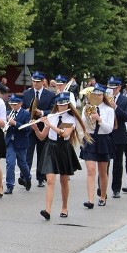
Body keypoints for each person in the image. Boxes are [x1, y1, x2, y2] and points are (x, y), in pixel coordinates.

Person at [32, 92, 89, 220]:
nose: (62, 107)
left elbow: (64, 134)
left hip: (64, 148)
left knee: (64, 181)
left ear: (68, 104)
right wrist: (36, 128)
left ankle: (64, 207)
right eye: (60, 104)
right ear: (56, 104)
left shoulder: (71, 119)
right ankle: (48, 210)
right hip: (51, 147)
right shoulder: (51, 116)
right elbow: (42, 137)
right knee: (50, 180)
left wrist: (50, 124)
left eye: (65, 105)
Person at [79, 83, 115, 208]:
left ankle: (103, 196)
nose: (96, 97)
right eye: (94, 95)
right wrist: (88, 117)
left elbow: (109, 129)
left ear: (103, 95)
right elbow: (84, 124)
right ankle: (90, 200)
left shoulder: (109, 110)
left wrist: (99, 119)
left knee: (102, 171)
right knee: (90, 170)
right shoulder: (86, 108)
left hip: (103, 139)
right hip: (90, 138)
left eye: (99, 95)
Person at [21, 71, 55, 187]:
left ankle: (41, 177)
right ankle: (25, 177)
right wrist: (25, 112)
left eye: (37, 82)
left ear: (42, 82)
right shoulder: (26, 93)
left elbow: (53, 111)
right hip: (30, 127)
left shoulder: (50, 95)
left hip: (42, 127)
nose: (35, 84)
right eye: (34, 81)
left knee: (41, 153)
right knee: (28, 153)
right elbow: (22, 109)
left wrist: (41, 112)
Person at [106, 76, 127, 198]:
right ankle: (102, 189)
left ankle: (116, 189)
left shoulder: (126, 100)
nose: (112, 90)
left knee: (117, 164)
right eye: (110, 88)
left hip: (119, 134)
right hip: (105, 134)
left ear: (119, 87)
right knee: (104, 163)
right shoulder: (103, 99)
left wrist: (116, 107)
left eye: (114, 88)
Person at [3, 95, 32, 194]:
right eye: (11, 104)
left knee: (22, 164)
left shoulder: (26, 114)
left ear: (20, 104)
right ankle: (9, 186)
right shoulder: (8, 113)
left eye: (15, 105)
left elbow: (28, 129)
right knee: (10, 163)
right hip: (10, 142)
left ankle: (28, 178)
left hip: (21, 142)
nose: (12, 107)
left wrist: (15, 123)